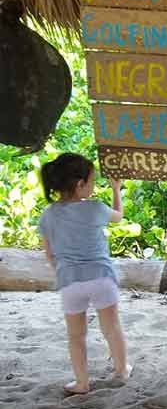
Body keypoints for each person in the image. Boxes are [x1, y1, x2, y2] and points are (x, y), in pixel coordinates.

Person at [38, 153, 130, 395]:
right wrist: (116, 189)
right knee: (111, 328)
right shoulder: (95, 209)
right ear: (80, 184)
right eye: (92, 181)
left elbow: (49, 253)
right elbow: (119, 218)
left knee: (76, 336)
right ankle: (121, 370)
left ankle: (81, 382)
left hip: (69, 281)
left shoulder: (48, 214)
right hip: (101, 277)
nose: (93, 185)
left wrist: (61, 271)